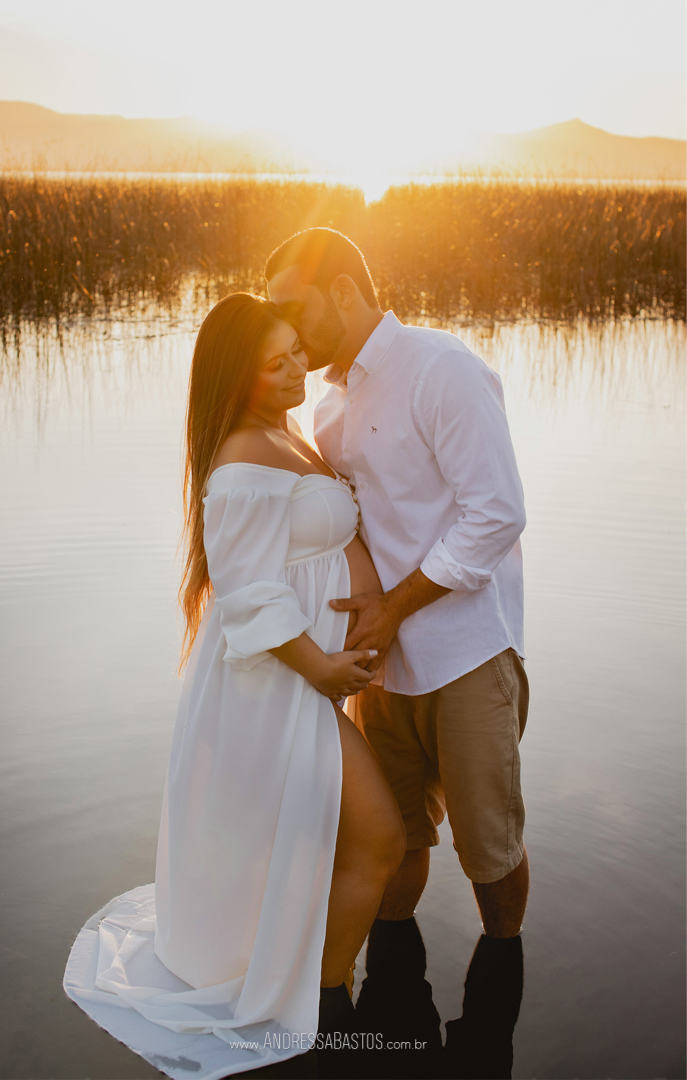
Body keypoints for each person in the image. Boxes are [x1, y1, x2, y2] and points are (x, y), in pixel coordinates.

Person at [63, 293, 406, 1080]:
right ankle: (322, 1004)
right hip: (275, 687)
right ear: (236, 377)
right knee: (380, 838)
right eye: (275, 362)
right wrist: (321, 667)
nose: (297, 369)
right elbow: (246, 589)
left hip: (298, 684)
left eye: (297, 351)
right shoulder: (244, 457)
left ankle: (308, 980)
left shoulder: (282, 432)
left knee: (302, 843)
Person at [266, 228, 529, 1065]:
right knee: (397, 839)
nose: (286, 330)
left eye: (293, 307)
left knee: (487, 851)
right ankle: (388, 1031)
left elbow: (497, 514)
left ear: (344, 290)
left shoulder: (440, 368)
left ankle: (490, 1027)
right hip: (380, 668)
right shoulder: (326, 408)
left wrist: (395, 607)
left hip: (467, 654)